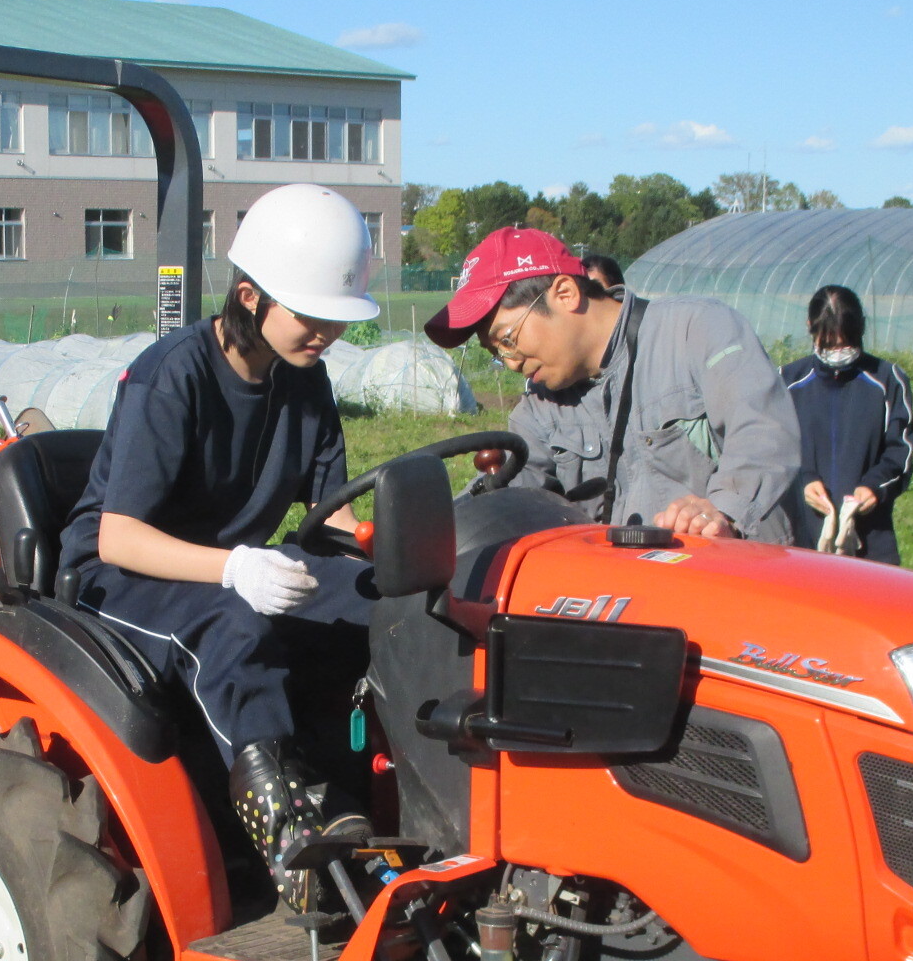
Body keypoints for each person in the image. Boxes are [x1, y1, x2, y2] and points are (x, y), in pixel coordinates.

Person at [58, 184, 378, 909]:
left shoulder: (306, 380)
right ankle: (291, 845)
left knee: (371, 605)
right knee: (233, 628)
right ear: (249, 296)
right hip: (122, 573)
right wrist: (236, 566)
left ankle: (359, 793)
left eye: (338, 319)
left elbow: (328, 520)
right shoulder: (172, 375)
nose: (325, 333)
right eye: (311, 315)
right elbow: (118, 534)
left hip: (236, 562)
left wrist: (373, 562)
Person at [423, 227, 800, 540]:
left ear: (565, 294)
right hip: (623, 608)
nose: (508, 362)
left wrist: (721, 511)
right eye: (496, 352)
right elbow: (499, 492)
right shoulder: (539, 409)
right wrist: (414, 534)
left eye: (508, 339)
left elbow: (763, 433)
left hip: (733, 588)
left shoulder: (697, 331)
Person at [779, 284, 913, 564]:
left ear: (861, 330)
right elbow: (773, 449)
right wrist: (802, 480)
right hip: (801, 538)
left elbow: (900, 452)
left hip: (870, 540)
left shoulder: (888, 380)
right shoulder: (787, 381)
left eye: (847, 344)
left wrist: (875, 487)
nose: (839, 353)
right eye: (830, 345)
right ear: (811, 329)